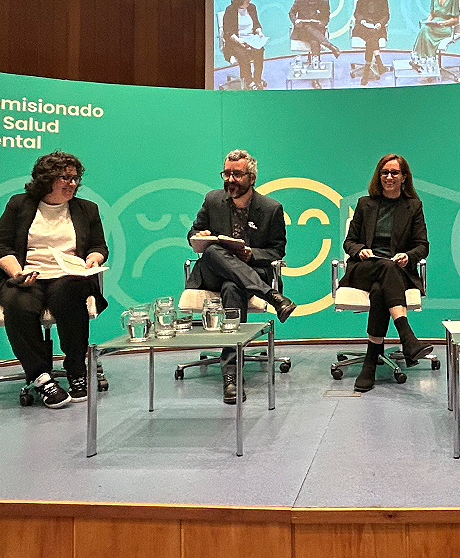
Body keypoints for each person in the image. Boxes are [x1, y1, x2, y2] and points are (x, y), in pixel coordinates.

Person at [0, 151, 109, 409]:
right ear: (46, 179)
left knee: (70, 293)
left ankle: (75, 369)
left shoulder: (86, 209)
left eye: (74, 178)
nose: (71, 183)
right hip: (27, 275)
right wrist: (17, 273)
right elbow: (0, 246)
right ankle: (41, 377)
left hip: (68, 276)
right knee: (17, 302)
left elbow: (99, 247)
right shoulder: (19, 205)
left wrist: (93, 261)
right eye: (64, 177)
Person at [187, 149, 297, 404]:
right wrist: (199, 237)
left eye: (237, 174)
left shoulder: (271, 208)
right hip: (212, 272)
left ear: (252, 178)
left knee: (232, 287)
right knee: (214, 250)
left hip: (248, 273)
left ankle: (231, 375)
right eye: (227, 173)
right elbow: (193, 231)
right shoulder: (212, 200)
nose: (230, 180)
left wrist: (251, 254)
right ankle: (272, 295)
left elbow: (277, 250)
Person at [340, 154, 433, 392]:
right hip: (364, 269)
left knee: (381, 289)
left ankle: (370, 361)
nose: (389, 177)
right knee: (384, 268)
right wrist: (360, 250)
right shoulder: (365, 204)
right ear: (379, 176)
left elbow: (423, 246)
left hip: (396, 271)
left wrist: (408, 256)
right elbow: (349, 242)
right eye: (384, 172)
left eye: (394, 173)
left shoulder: (413, 206)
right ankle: (406, 335)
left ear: (404, 177)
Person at [222, 0, 267, 90]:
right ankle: (249, 80)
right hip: (235, 41)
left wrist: (259, 32)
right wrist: (239, 41)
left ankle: (257, 79)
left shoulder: (252, 7)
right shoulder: (230, 10)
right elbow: (228, 32)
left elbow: (256, 24)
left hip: (251, 38)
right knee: (243, 54)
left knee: (260, 50)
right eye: (246, 1)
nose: (249, 2)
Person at [410, 0, 460, 65]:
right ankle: (420, 59)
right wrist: (428, 22)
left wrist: (444, 23)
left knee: (425, 32)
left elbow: (456, 20)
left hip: (445, 26)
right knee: (424, 29)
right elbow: (431, 14)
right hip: (434, 24)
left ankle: (427, 59)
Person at [352, 0, 389, 85]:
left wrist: (380, 23)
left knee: (371, 37)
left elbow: (386, 16)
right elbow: (356, 13)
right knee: (372, 36)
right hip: (362, 27)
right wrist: (361, 20)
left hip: (377, 27)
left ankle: (366, 71)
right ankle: (378, 61)